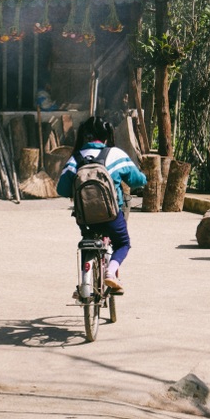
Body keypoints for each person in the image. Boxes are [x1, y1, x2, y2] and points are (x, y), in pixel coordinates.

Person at [55, 116, 147, 293]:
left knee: (87, 242)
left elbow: (62, 189)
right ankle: (111, 273)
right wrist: (142, 178)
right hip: (111, 216)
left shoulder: (74, 159)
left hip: (85, 218)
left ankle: (84, 284)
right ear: (106, 137)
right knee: (123, 243)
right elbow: (138, 180)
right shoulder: (116, 154)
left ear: (85, 137)